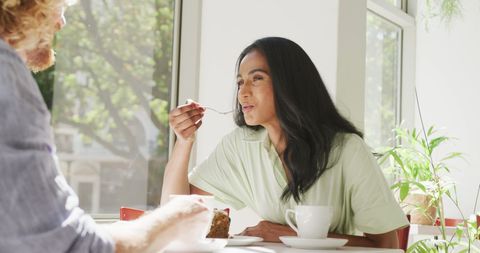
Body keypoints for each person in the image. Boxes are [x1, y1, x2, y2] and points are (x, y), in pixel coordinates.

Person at [0, 1, 211, 252]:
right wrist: (174, 218)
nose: (61, 22)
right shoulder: (6, 76)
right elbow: (76, 247)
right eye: (58, 3)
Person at [162, 36, 409, 248]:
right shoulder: (241, 145)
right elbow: (177, 211)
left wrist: (285, 234)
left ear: (289, 84)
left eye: (256, 78)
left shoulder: (347, 150)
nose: (243, 92)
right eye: (240, 82)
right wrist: (183, 142)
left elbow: (386, 246)